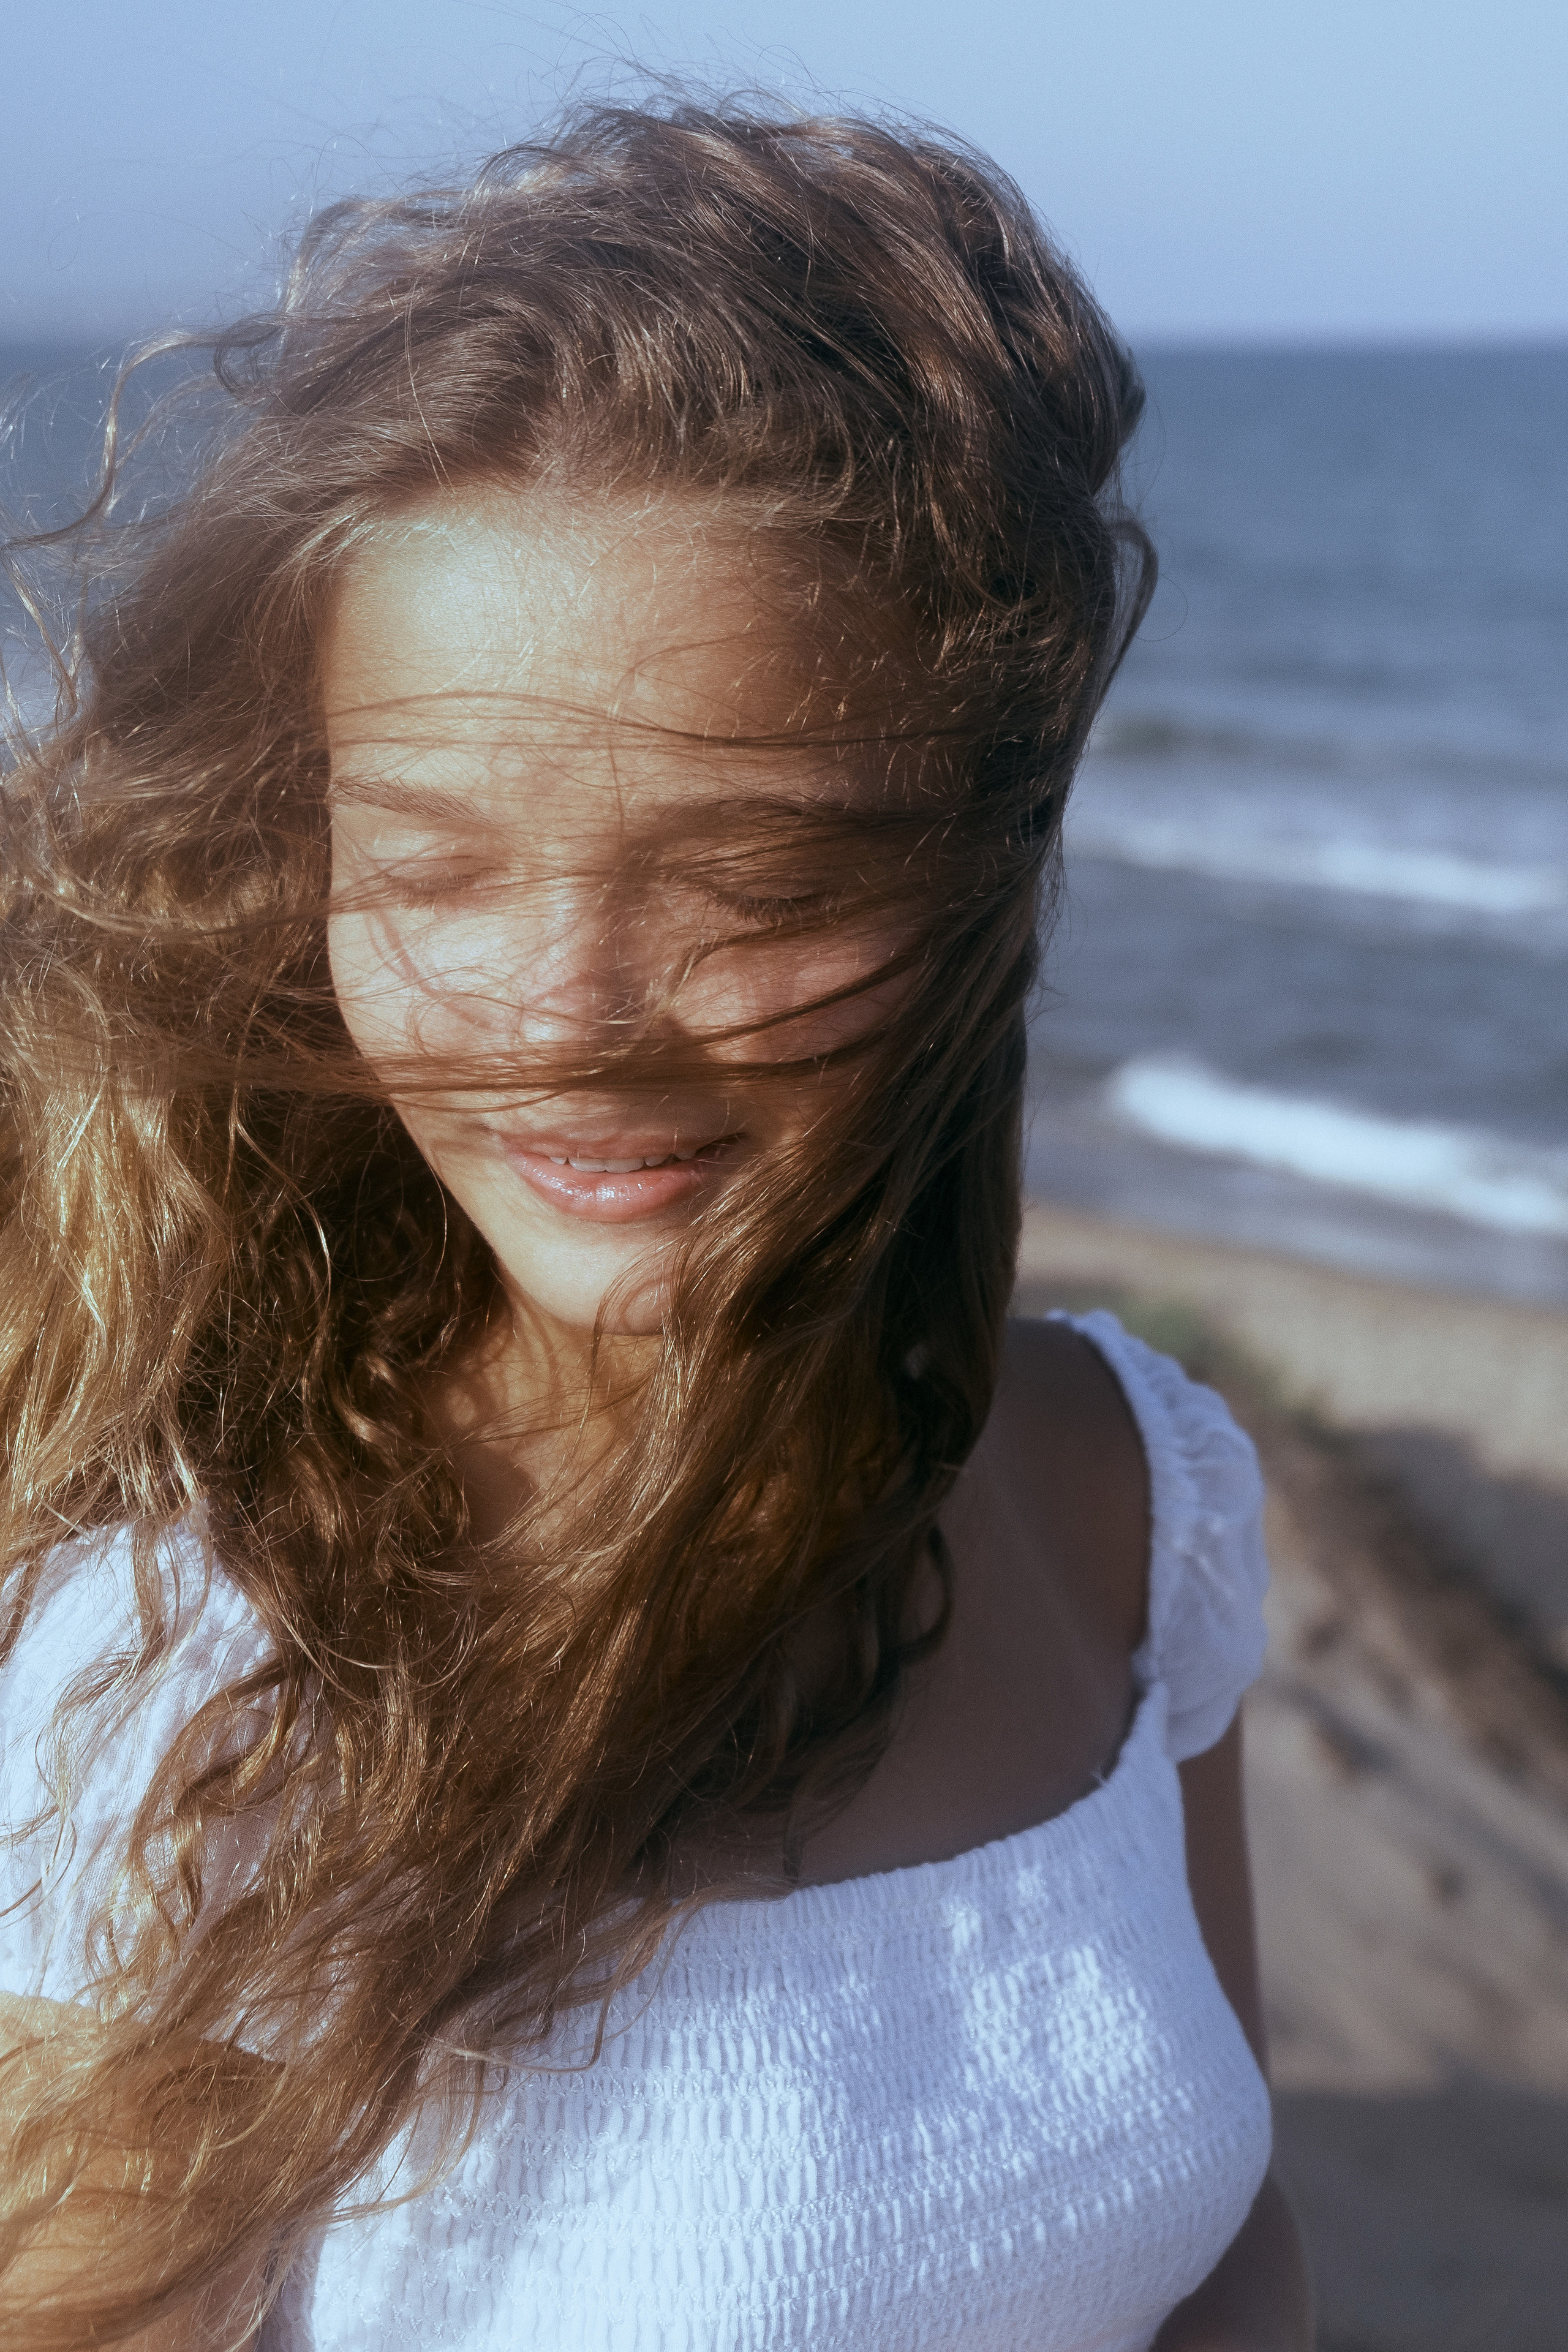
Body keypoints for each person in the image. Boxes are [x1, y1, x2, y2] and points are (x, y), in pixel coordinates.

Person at [0, 99, 1313, 2351]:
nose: (563, 1031)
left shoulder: (1121, 1493)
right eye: (425, 875)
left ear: (992, 867)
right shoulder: (207, 1690)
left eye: (759, 893)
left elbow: (1227, 2252)